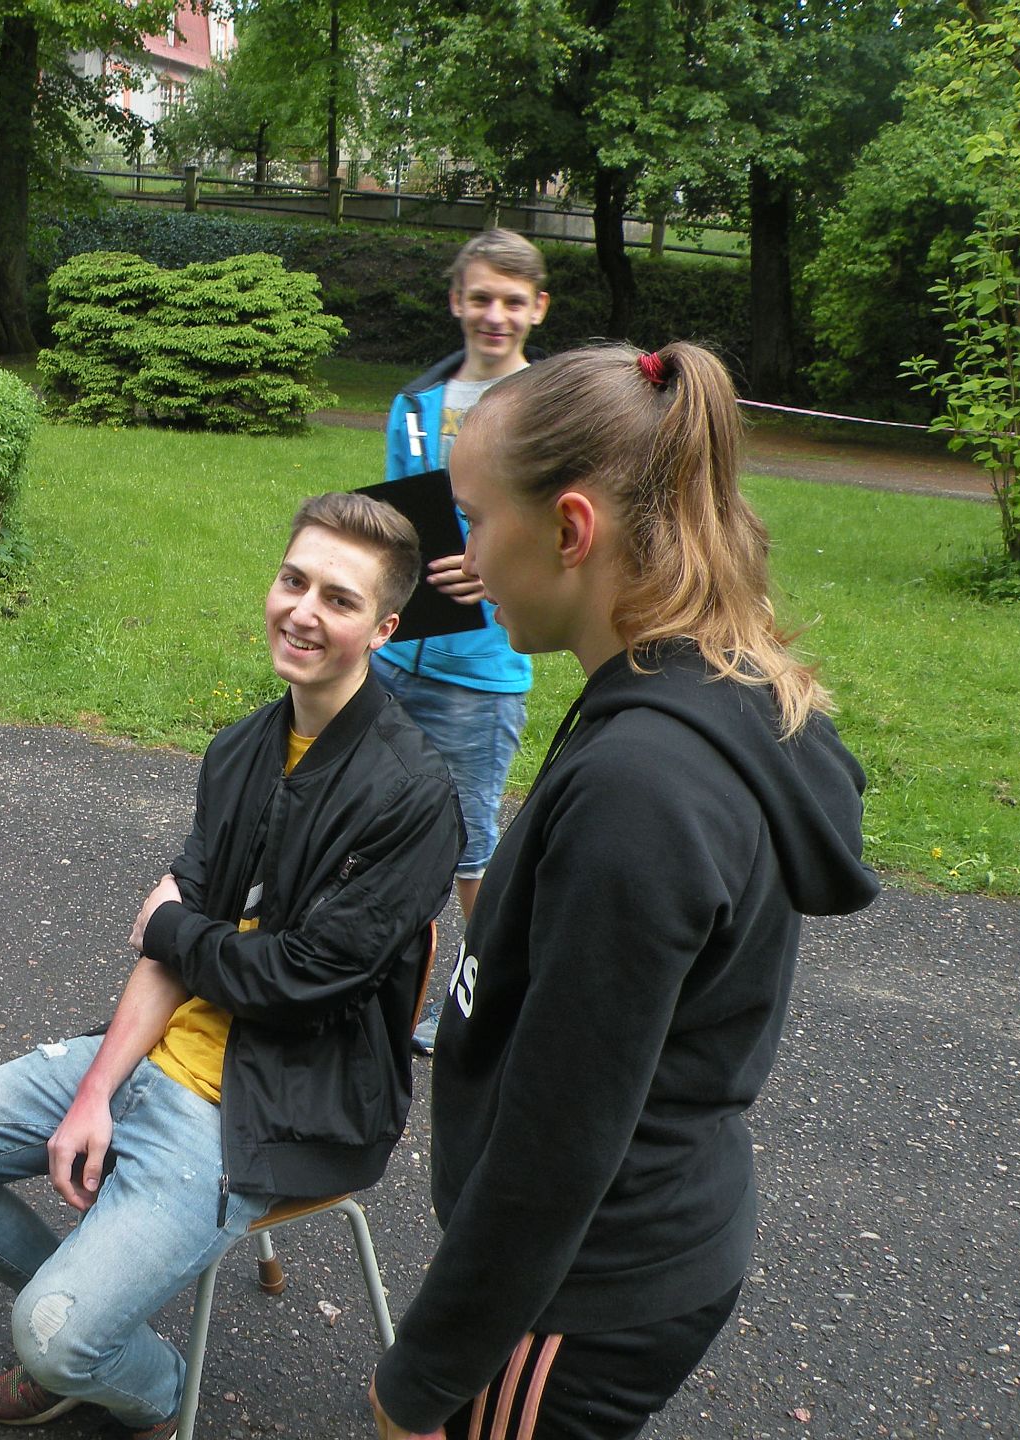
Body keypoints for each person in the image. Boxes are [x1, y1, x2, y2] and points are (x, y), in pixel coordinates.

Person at [0, 493, 463, 1440]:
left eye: (340, 600)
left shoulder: (413, 795)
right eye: (294, 580)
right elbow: (175, 947)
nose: (303, 611)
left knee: (53, 1339)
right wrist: (95, 1090)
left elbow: (298, 982)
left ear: (385, 628)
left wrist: (177, 929)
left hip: (267, 1105)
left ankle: (140, 1382)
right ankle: (83, 1330)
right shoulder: (241, 750)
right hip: (152, 1057)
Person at [366, 342, 880, 1440]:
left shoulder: (642, 791)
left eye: (474, 519)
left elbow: (561, 1141)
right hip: (610, 1251)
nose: (464, 555)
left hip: (577, 1294)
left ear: (570, 529)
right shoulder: (685, 683)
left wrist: (423, 1377)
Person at [377, 229, 551, 1055]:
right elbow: (396, 520)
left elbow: (562, 529)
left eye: (513, 301)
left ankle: (482, 998)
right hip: (392, 654)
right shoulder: (414, 406)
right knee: (375, 821)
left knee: (470, 852)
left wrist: (500, 573)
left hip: (479, 675)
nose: (495, 315)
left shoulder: (548, 412)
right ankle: (370, 976)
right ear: (456, 301)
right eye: (481, 297)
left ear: (538, 308)